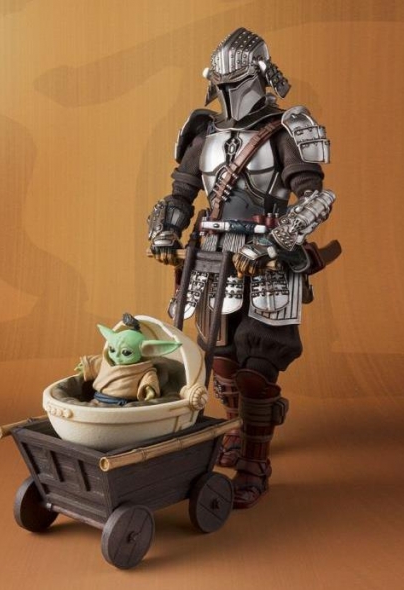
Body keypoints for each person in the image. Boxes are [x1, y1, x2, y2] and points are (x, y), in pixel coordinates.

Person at [147, 27, 337, 509]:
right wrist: (165, 231)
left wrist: (275, 242)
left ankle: (255, 462)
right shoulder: (204, 132)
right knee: (221, 359)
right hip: (212, 255)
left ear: (259, 76)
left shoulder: (288, 129)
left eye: (237, 83)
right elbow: (181, 192)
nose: (229, 93)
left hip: (267, 259)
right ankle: (241, 427)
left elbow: (316, 198)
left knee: (259, 361)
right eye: (222, 85)